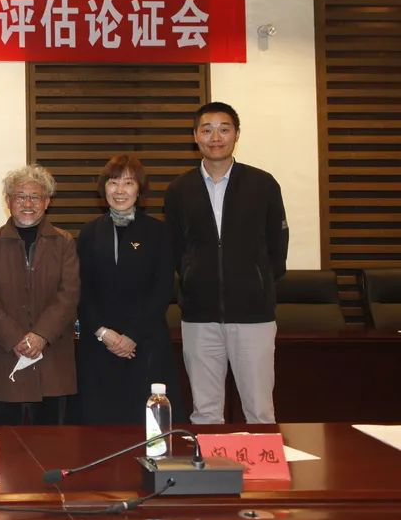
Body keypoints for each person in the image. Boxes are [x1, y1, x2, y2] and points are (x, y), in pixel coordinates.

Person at [164, 102, 288, 424]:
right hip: (199, 318)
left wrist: (255, 281)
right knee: (205, 412)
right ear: (196, 136)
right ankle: (209, 461)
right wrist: (193, 278)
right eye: (207, 130)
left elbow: (277, 246)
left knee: (260, 411)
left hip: (253, 317)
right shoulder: (179, 190)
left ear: (236, 134)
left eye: (224, 129)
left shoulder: (263, 184)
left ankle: (262, 461)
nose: (215, 137)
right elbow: (176, 248)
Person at [76, 155, 184, 425]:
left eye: (128, 183)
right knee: (99, 427)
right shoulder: (88, 233)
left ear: (140, 190)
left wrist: (132, 336)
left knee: (147, 425)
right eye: (113, 182)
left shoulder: (158, 232)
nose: (120, 190)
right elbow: (80, 290)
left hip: (145, 344)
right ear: (104, 188)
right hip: (99, 346)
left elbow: (162, 290)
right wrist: (104, 333)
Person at [0, 164, 79, 425]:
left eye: (35, 197)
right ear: (8, 201)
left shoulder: (64, 243)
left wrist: (41, 335)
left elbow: (69, 294)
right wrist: (14, 338)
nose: (28, 203)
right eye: (20, 196)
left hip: (52, 357)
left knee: (53, 442)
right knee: (6, 443)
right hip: (6, 357)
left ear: (46, 202)